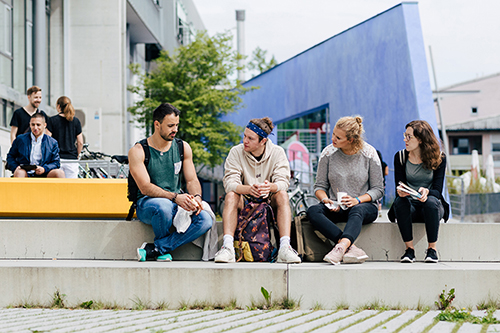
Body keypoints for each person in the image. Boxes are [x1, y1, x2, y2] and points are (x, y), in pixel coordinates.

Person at [128, 103, 213, 262]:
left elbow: (192, 179)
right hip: (148, 204)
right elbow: (145, 188)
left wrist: (196, 198)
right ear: (157, 124)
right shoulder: (138, 151)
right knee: (164, 206)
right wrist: (175, 198)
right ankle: (161, 248)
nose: (175, 129)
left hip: (176, 202)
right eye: (170, 125)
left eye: (177, 125)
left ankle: (158, 248)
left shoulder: (183, 147)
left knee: (205, 219)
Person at [214, 117, 301, 264]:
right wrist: (248, 189)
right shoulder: (236, 152)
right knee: (230, 196)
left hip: (269, 201)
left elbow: (283, 182)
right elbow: (229, 183)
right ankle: (227, 248)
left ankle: (285, 248)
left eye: (250, 138)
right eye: (244, 136)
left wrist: (270, 187)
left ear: (263, 141)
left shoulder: (277, 152)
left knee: (282, 195)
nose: (245, 141)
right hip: (245, 200)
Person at [306, 116, 384, 265]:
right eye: (333, 134)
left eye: (338, 137)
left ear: (351, 140)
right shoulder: (328, 153)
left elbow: (378, 189)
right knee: (313, 211)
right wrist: (325, 200)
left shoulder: (369, 154)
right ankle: (350, 247)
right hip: (336, 207)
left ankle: (340, 247)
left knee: (358, 210)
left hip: (364, 206)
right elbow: (319, 186)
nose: (333, 139)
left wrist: (357, 200)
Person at [388, 120, 449, 263]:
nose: (405, 140)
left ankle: (432, 250)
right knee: (400, 202)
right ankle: (409, 250)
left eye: (409, 137)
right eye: (405, 135)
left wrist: (427, 192)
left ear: (420, 140)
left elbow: (438, 190)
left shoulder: (439, 157)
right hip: (410, 208)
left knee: (431, 202)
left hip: (431, 208)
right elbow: (400, 185)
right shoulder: (401, 157)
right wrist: (401, 192)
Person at [6, 113, 64, 178]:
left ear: (44, 125)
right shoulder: (20, 139)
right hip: (25, 172)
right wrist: (16, 167)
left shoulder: (52, 142)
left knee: (59, 173)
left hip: (45, 173)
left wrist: (44, 169)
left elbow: (56, 162)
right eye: (33, 125)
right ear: (29, 125)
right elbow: (10, 156)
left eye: (38, 125)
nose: (35, 128)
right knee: (19, 172)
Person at [47, 96, 83, 178]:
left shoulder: (52, 120)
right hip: (71, 160)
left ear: (58, 106)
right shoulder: (76, 121)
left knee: (57, 186)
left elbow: (47, 140)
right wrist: (77, 154)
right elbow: (80, 142)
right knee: (71, 186)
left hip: (56, 158)